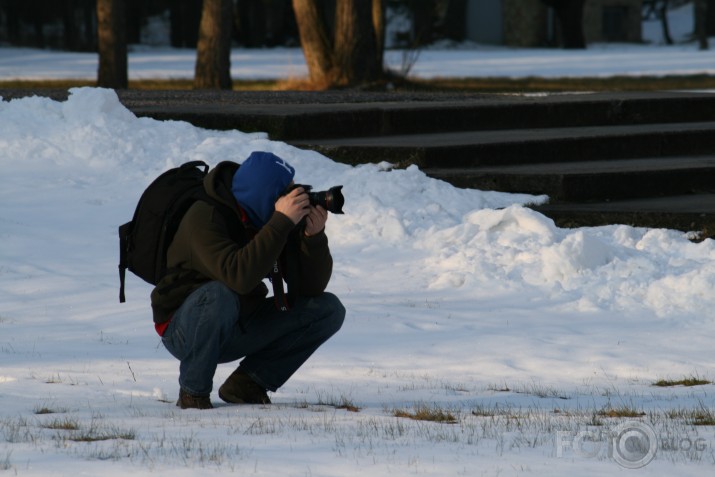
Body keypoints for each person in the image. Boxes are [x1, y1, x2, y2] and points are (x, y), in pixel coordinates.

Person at [150, 151, 345, 409]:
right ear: (264, 193)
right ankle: (193, 392)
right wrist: (280, 222)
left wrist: (313, 237)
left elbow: (309, 289)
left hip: (238, 321)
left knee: (327, 309)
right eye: (285, 191)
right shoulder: (206, 216)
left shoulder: (269, 218)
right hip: (185, 328)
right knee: (220, 294)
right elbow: (238, 278)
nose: (293, 197)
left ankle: (247, 383)